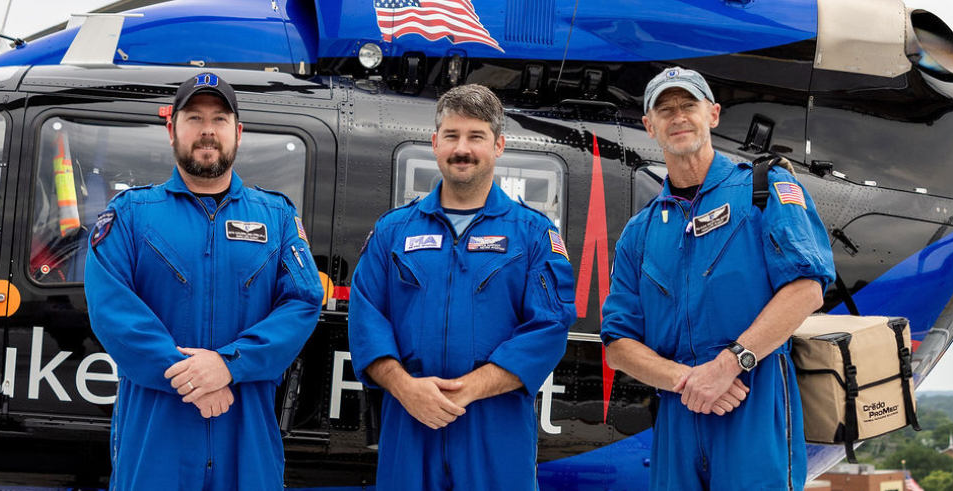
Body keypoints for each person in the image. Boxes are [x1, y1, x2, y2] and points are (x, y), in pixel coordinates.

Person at [598, 67, 837, 491]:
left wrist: (730, 364)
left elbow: (807, 289)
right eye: (664, 110)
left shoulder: (764, 189)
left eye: (688, 105)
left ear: (712, 114)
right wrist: (685, 381)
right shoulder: (640, 231)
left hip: (753, 394)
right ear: (649, 127)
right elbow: (618, 345)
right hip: (678, 405)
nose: (678, 117)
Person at [84, 72, 324, 491]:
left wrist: (228, 365)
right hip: (157, 433)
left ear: (239, 132)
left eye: (220, 119)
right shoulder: (130, 215)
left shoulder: (279, 217)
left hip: (245, 429)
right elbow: (112, 310)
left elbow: (303, 302)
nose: (207, 131)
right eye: (194, 117)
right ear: (171, 128)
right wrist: (193, 377)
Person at [348, 84, 576, 491]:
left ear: (499, 145)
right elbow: (367, 317)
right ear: (435, 143)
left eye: (476, 136)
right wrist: (405, 387)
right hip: (410, 418)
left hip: (495, 424)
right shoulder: (392, 231)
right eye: (452, 136)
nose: (462, 148)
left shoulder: (533, 233)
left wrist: (470, 389)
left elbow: (550, 326)